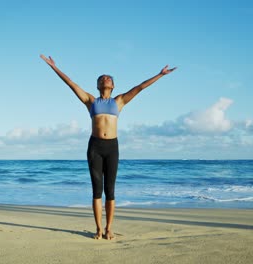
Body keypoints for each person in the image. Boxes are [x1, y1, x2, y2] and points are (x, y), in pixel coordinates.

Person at [40, 54, 176, 240]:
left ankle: (109, 228)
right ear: (98, 86)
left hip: (112, 147)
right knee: (97, 189)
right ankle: (98, 228)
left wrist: (160, 74)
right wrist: (53, 67)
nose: (106, 79)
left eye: (109, 78)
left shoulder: (119, 101)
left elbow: (140, 88)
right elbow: (71, 84)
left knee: (110, 190)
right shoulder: (91, 101)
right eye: (102, 78)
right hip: (95, 147)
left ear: (112, 86)